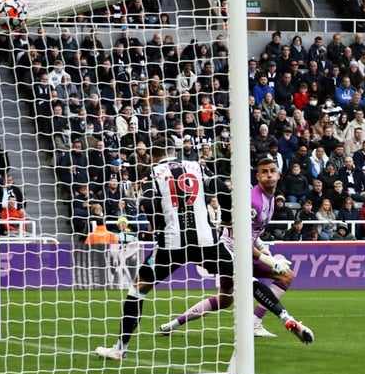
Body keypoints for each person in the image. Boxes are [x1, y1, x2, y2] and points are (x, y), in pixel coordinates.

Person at [94, 146, 312, 361]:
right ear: (174, 153)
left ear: (154, 157)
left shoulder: (152, 174)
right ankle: (286, 318)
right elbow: (223, 190)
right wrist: (226, 219)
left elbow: (149, 203)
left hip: (172, 245)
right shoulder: (195, 167)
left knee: (138, 288)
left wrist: (158, 228)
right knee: (244, 278)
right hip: (207, 241)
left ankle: (120, 348)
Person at [158, 157, 313, 341]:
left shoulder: (270, 199)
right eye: (264, 171)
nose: (269, 175)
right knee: (242, 289)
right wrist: (269, 260)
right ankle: (282, 320)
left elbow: (253, 233)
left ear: (279, 175)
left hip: (245, 251)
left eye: (272, 170)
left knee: (229, 297)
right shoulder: (253, 202)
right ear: (258, 176)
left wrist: (264, 249)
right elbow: (241, 239)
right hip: (229, 253)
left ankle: (173, 325)